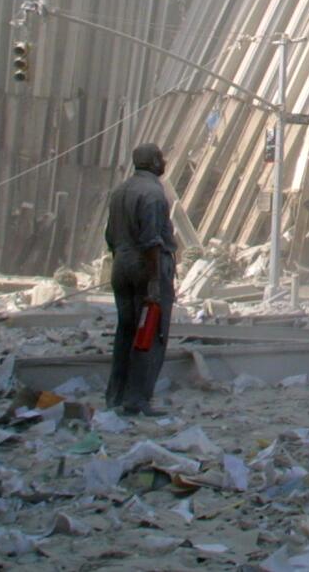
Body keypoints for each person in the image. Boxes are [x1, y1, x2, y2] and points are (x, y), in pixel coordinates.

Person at [104, 143, 176, 414]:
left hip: (120, 265)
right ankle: (138, 399)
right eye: (162, 158)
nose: (164, 162)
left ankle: (116, 395)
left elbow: (110, 236)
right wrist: (155, 282)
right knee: (150, 331)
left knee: (125, 331)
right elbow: (151, 241)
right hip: (145, 268)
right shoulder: (153, 194)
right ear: (155, 163)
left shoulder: (120, 191)